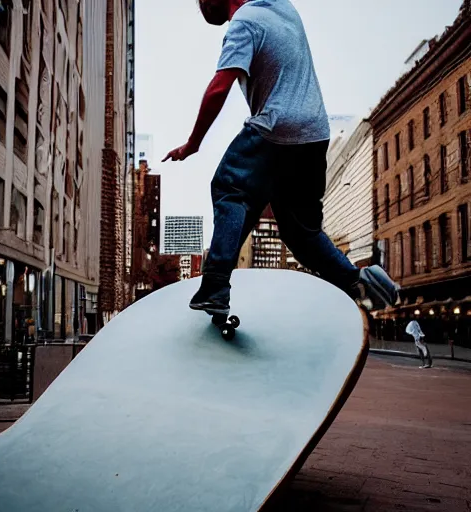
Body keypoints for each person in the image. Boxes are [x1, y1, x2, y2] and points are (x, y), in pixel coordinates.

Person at [163, 0, 399, 315]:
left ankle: (214, 287)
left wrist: (193, 143)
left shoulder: (243, 22)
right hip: (314, 134)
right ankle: (358, 282)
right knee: (300, 231)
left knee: (229, 187)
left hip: (276, 127)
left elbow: (219, 88)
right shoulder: (285, 10)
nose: (200, 4)